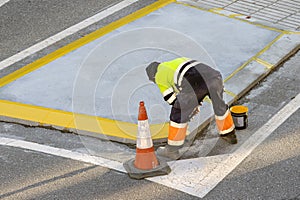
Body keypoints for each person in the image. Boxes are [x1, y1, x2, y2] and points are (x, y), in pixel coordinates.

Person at [146, 57, 237, 160]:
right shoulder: (174, 63)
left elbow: (171, 99)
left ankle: (171, 150)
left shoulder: (159, 75)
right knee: (219, 105)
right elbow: (198, 83)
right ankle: (229, 134)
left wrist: (186, 110)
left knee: (177, 113)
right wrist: (194, 104)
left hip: (194, 82)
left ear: (153, 75)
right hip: (214, 76)